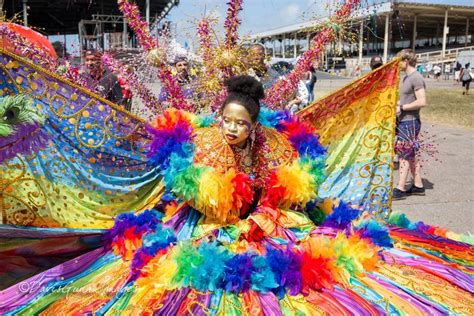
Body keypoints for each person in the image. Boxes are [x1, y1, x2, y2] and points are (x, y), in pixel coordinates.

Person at [3, 75, 473, 314]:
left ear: (254, 125)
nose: (231, 129)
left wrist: (266, 213)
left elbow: (278, 188)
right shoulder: (203, 142)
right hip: (201, 221)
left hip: (257, 220)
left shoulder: (273, 144)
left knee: (310, 250)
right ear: (218, 117)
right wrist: (220, 208)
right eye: (226, 120)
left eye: (240, 124)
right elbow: (193, 191)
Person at [393, 49, 427, 200]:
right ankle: (418, 185)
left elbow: (422, 101)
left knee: (403, 155)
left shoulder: (416, 78)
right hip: (404, 120)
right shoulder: (405, 78)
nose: (397, 64)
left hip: (410, 121)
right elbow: (406, 99)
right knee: (410, 154)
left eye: (398, 61)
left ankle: (400, 188)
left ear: (405, 61)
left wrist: (402, 108)